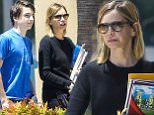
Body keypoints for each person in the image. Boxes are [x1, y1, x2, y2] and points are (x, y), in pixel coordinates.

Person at [66, 0, 154, 115]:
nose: (110, 32)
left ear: (134, 29)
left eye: (117, 25)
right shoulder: (90, 73)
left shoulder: (150, 72)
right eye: (104, 27)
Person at [38, 3, 75, 109]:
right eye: (58, 17)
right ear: (49, 21)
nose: (62, 19)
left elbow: (77, 64)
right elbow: (45, 73)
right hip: (54, 98)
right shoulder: (46, 42)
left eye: (65, 16)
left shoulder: (68, 43)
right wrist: (67, 84)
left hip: (69, 96)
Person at [0, 0, 36, 106]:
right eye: (27, 16)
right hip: (9, 102)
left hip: (25, 102)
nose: (31, 19)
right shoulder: (5, 39)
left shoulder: (28, 43)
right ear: (15, 17)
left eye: (32, 16)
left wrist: (33, 95)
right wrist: (3, 99)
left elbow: (25, 72)